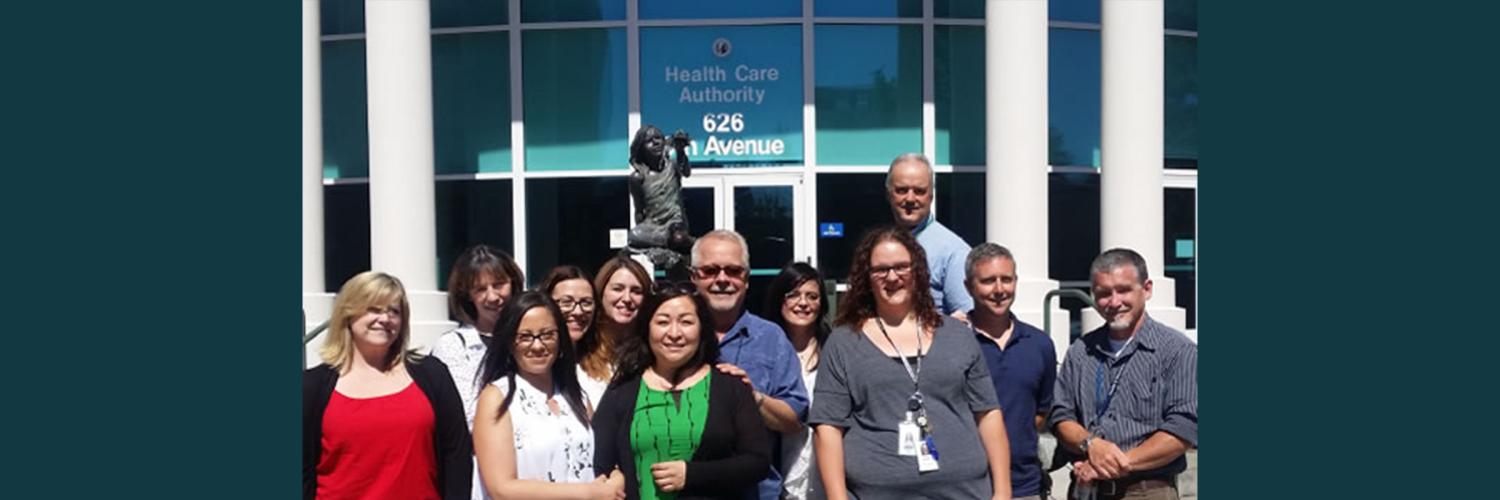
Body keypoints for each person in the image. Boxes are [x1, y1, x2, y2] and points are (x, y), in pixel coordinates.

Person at [809, 227, 1011, 500]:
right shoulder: (844, 342)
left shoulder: (957, 334)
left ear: (917, 271)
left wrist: (1002, 491)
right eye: (881, 269)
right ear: (867, 278)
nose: (892, 277)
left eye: (901, 267)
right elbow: (828, 428)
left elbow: (988, 414)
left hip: (965, 492)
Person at [593, 282, 771, 499]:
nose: (674, 333)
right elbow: (602, 461)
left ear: (702, 328)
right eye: (662, 322)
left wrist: (693, 474)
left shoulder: (730, 387)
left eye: (686, 322)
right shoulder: (623, 390)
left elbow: (758, 461)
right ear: (647, 327)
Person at [303, 271, 472, 499]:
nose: (385, 319)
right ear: (348, 314)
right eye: (374, 309)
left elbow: (456, 457)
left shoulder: (432, 375)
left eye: (394, 311)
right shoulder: (311, 388)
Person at [1048, 248, 1197, 500]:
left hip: (1146, 491)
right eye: (1104, 293)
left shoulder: (1177, 351)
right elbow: (1061, 416)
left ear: (1146, 289)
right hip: (1086, 490)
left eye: (1123, 290)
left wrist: (1113, 464)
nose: (1114, 302)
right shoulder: (1081, 351)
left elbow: (1182, 429)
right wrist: (1090, 445)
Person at [689, 229, 809, 500]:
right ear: (693, 277)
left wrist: (753, 399)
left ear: (746, 279)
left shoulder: (771, 338)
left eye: (733, 271)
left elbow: (795, 420)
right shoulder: (674, 336)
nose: (722, 279)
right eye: (710, 270)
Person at [472, 291, 624, 500]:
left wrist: (616, 478)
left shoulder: (575, 396)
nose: (537, 345)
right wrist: (588, 493)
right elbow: (501, 488)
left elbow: (602, 457)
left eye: (546, 335)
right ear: (509, 342)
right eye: (525, 337)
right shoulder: (497, 397)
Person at [965, 244, 1057, 500]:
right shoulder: (952, 342)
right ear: (968, 286)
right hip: (964, 487)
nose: (998, 289)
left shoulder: (1039, 344)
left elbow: (1041, 413)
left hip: (1024, 486)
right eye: (987, 281)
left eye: (1006, 280)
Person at [431, 244, 526, 426]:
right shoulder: (453, 346)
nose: (492, 297)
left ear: (513, 283)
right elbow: (467, 415)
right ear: (467, 295)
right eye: (480, 289)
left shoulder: (532, 338)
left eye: (499, 285)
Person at [762, 262, 832, 500]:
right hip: (777, 470)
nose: (803, 303)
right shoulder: (765, 348)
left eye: (812, 296)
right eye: (793, 295)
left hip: (823, 471)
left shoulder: (835, 349)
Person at [885, 153, 973, 317]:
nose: (910, 198)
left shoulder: (953, 252)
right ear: (889, 194)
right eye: (902, 190)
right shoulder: (880, 246)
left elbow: (966, 319)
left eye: (919, 191)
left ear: (931, 196)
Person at [542, 265, 612, 410]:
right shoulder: (537, 365)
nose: (578, 311)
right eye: (567, 302)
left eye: (586, 302)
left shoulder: (607, 363)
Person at [591, 256, 652, 394]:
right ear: (601, 292)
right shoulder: (584, 349)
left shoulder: (652, 352)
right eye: (618, 289)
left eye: (636, 291)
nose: (626, 299)